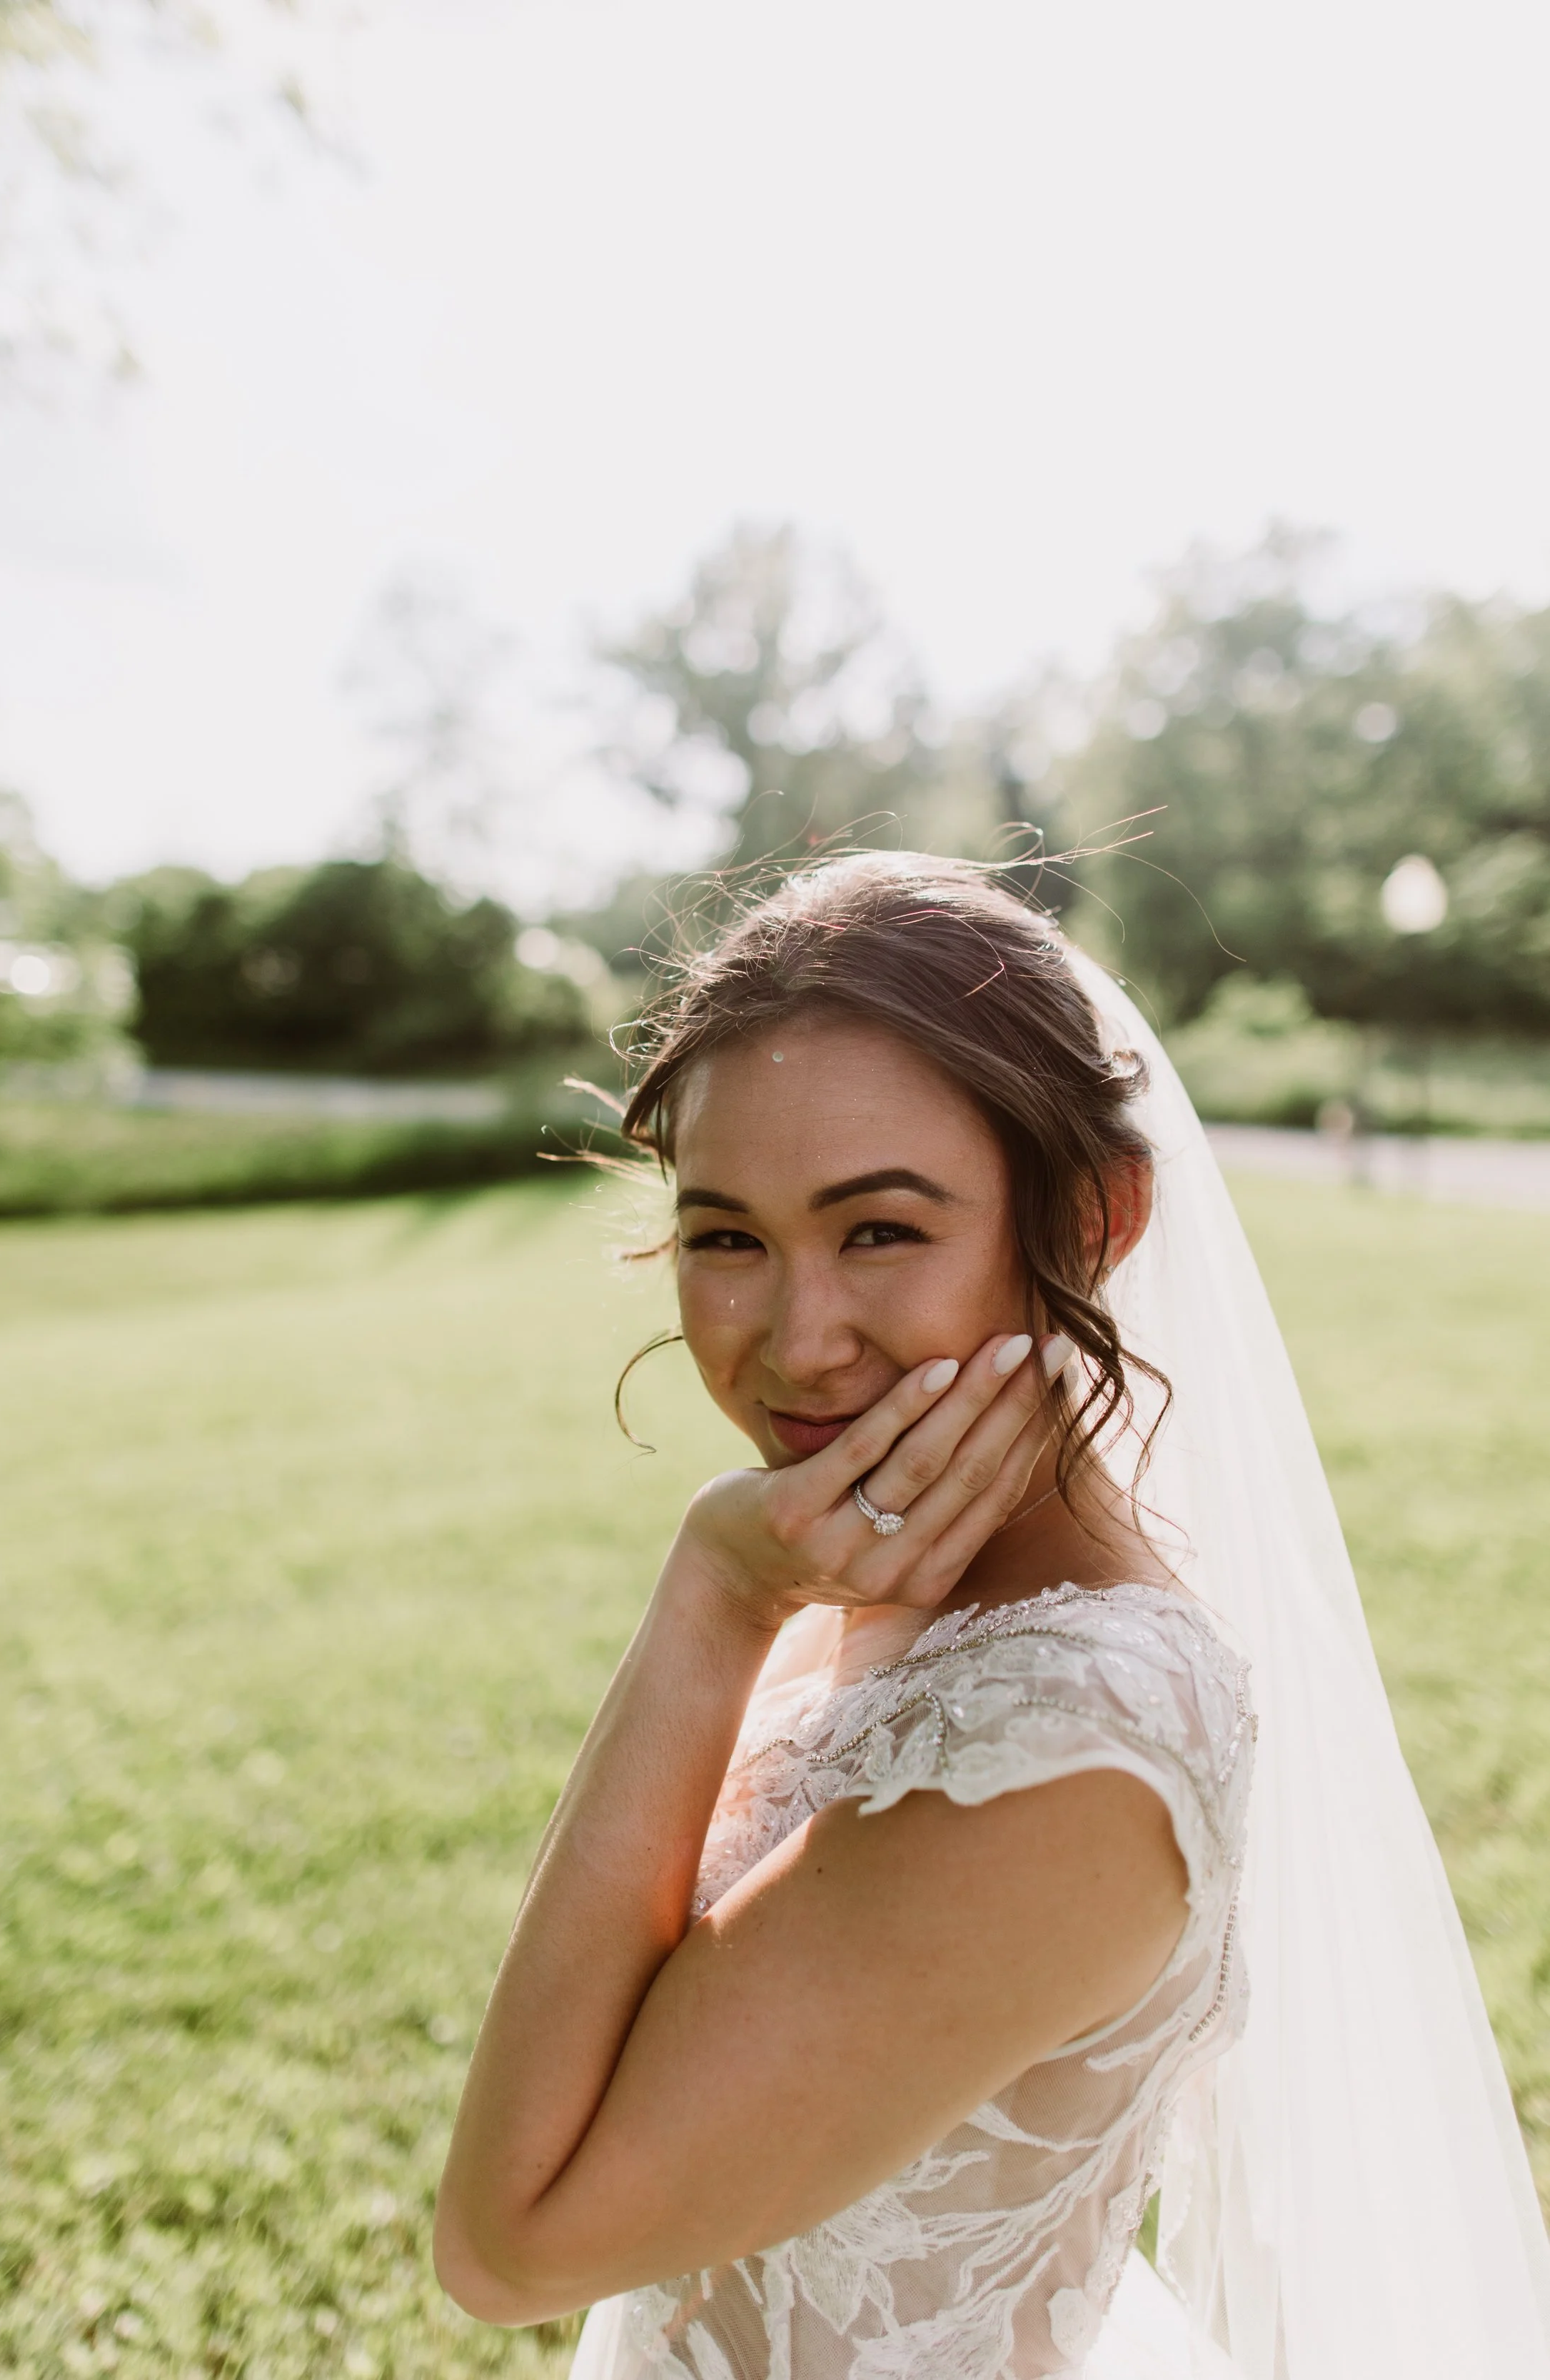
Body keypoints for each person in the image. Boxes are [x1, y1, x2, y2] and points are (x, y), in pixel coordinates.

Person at [435, 856, 1550, 2380]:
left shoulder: (1065, 1739)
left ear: (1091, 1215)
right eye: (725, 1237)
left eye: (879, 1230)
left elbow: (514, 2242)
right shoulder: (893, 1574)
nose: (794, 1339)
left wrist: (710, 1592)